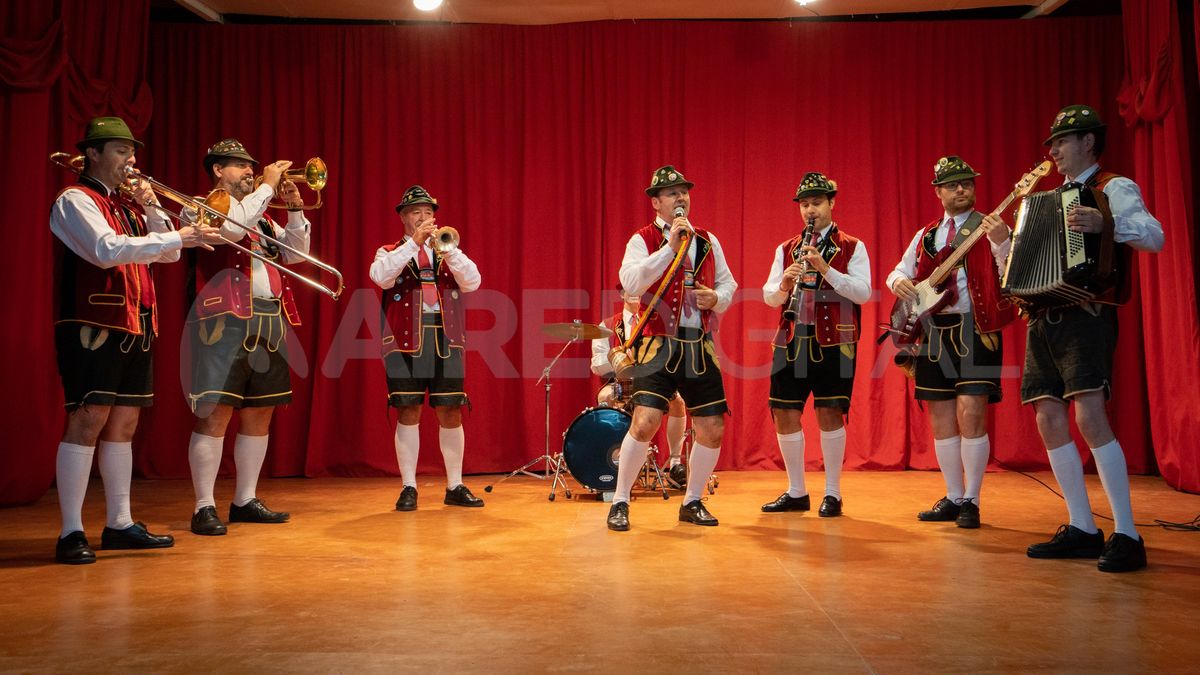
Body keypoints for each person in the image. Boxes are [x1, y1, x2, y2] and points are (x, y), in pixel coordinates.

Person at [49, 116, 222, 563]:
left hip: (137, 324)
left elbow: (167, 252)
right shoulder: (74, 199)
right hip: (94, 325)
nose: (132, 160)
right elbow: (105, 251)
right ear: (93, 152)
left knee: (124, 425)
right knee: (88, 420)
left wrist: (150, 208)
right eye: (122, 151)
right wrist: (177, 233)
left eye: (133, 152)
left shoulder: (126, 207)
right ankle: (71, 531)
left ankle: (119, 523)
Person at [1019, 105, 1163, 573]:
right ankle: (1082, 525)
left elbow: (1154, 236)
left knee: (1089, 413)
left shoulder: (1112, 187)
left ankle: (1127, 532)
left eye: (1062, 141)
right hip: (1044, 315)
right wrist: (1005, 242)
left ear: (1089, 143)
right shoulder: (1047, 199)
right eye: (1053, 143)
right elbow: (1025, 260)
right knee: (1047, 415)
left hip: (1087, 311)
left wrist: (1108, 225)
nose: (1054, 151)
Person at [185, 138, 312, 536]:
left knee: (261, 412)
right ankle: (204, 506)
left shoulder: (261, 215)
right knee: (216, 412)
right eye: (240, 166)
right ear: (218, 170)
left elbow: (295, 256)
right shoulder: (204, 204)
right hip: (224, 320)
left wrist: (293, 212)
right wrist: (268, 187)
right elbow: (226, 230)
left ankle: (245, 499)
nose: (249, 171)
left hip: (270, 319)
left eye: (251, 166)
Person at [606, 165, 737, 531]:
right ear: (657, 203)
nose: (681, 198)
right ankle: (619, 501)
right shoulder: (643, 239)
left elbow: (729, 284)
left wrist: (717, 297)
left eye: (684, 192)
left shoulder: (708, 240)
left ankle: (692, 500)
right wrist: (670, 247)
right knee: (645, 421)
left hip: (698, 343)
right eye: (672, 194)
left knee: (712, 426)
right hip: (656, 343)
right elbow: (630, 280)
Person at [887, 156, 1015, 529]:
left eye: (967, 183)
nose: (962, 189)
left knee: (972, 412)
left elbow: (1010, 271)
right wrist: (898, 283)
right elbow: (898, 270)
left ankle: (972, 501)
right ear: (939, 192)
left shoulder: (990, 225)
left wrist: (1002, 241)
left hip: (977, 328)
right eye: (954, 184)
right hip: (933, 332)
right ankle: (954, 495)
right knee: (942, 418)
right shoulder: (926, 235)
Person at [760, 172, 871, 517]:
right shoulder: (786, 248)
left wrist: (826, 268)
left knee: (829, 412)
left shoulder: (853, 246)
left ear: (831, 203)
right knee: (784, 411)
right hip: (793, 338)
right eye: (805, 204)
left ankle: (833, 493)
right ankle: (796, 491)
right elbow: (768, 297)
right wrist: (783, 282)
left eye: (817, 202)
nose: (810, 210)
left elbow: (863, 292)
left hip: (834, 340)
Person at [369, 185, 484, 511]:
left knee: (450, 410)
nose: (425, 218)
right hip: (405, 340)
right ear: (404, 217)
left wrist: (449, 252)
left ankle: (455, 484)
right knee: (409, 410)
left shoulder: (446, 250)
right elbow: (381, 277)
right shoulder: (388, 251)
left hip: (447, 339)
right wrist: (413, 245)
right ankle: (409, 486)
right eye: (417, 213)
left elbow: (473, 282)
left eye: (429, 213)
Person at [590, 284, 689, 488]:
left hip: (654, 383)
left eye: (641, 291)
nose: (636, 295)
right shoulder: (607, 325)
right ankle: (612, 458)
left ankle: (676, 462)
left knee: (678, 402)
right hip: (618, 384)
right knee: (605, 398)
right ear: (622, 294)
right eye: (631, 289)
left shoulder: (657, 324)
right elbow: (597, 365)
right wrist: (622, 360)